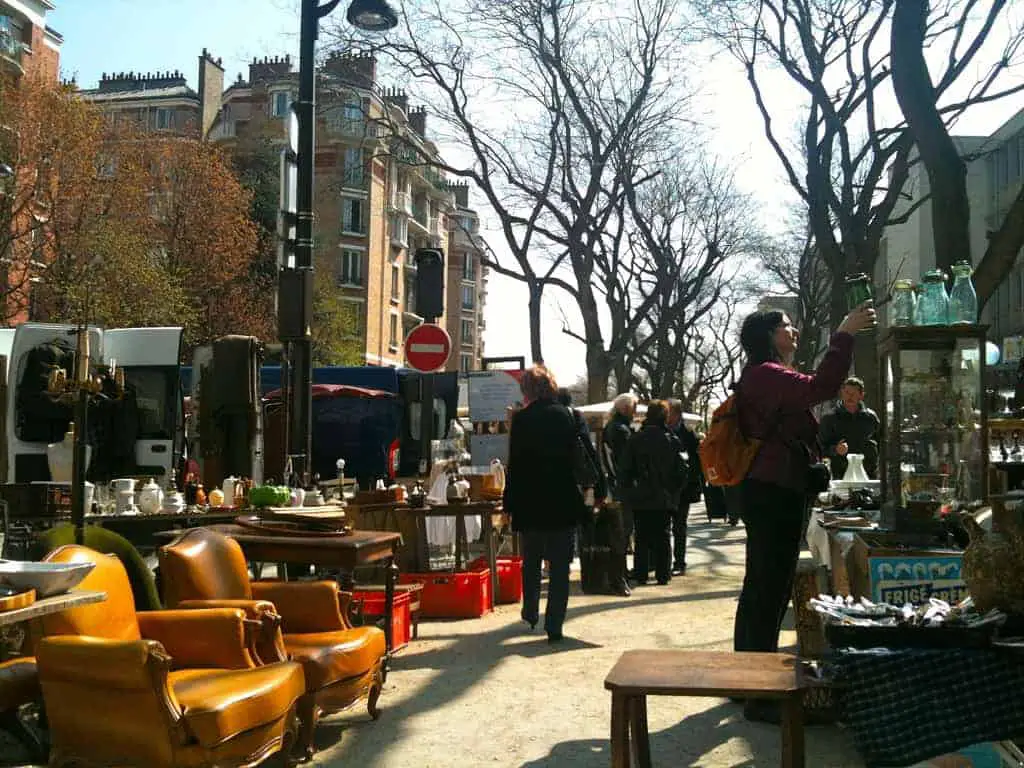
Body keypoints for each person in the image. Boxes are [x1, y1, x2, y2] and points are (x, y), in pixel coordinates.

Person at [732, 303, 875, 723]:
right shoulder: (767, 375)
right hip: (775, 492)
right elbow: (824, 385)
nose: (793, 332)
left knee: (762, 585)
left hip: (771, 490)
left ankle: (746, 682)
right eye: (785, 327)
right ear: (768, 337)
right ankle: (759, 695)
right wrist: (844, 333)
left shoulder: (764, 376)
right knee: (769, 587)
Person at [503, 365, 587, 642]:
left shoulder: (522, 420)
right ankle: (555, 624)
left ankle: (530, 611)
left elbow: (513, 466)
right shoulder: (568, 416)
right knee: (560, 567)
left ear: (526, 390)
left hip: (530, 501)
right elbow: (583, 458)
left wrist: (509, 505)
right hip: (562, 499)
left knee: (532, 560)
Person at [616, 400, 687, 586]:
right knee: (663, 534)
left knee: (642, 535)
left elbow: (624, 469)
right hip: (663, 496)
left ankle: (641, 572)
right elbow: (682, 470)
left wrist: (629, 490)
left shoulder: (636, 439)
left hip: (640, 495)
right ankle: (663, 573)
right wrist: (673, 491)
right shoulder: (671, 440)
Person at [602, 393, 638, 593]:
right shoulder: (621, 431)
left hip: (617, 486)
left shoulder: (612, 427)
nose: (635, 412)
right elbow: (626, 463)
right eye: (634, 407)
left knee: (621, 534)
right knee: (621, 534)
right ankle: (618, 578)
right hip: (623, 488)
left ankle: (619, 575)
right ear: (625, 408)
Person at [819, 376, 880, 480]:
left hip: (868, 474)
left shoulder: (870, 417)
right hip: (840, 475)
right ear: (842, 394)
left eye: (854, 393)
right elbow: (820, 448)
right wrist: (835, 450)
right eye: (847, 392)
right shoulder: (830, 418)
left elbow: (880, 442)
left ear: (861, 395)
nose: (849, 396)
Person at [667, 399, 703, 575]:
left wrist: (688, 480)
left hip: (683, 488)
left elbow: (697, 462)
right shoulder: (662, 431)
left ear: (677, 414)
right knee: (664, 526)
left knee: (679, 526)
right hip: (665, 487)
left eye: (670, 412)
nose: (667, 416)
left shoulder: (688, 434)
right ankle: (661, 561)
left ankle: (679, 562)